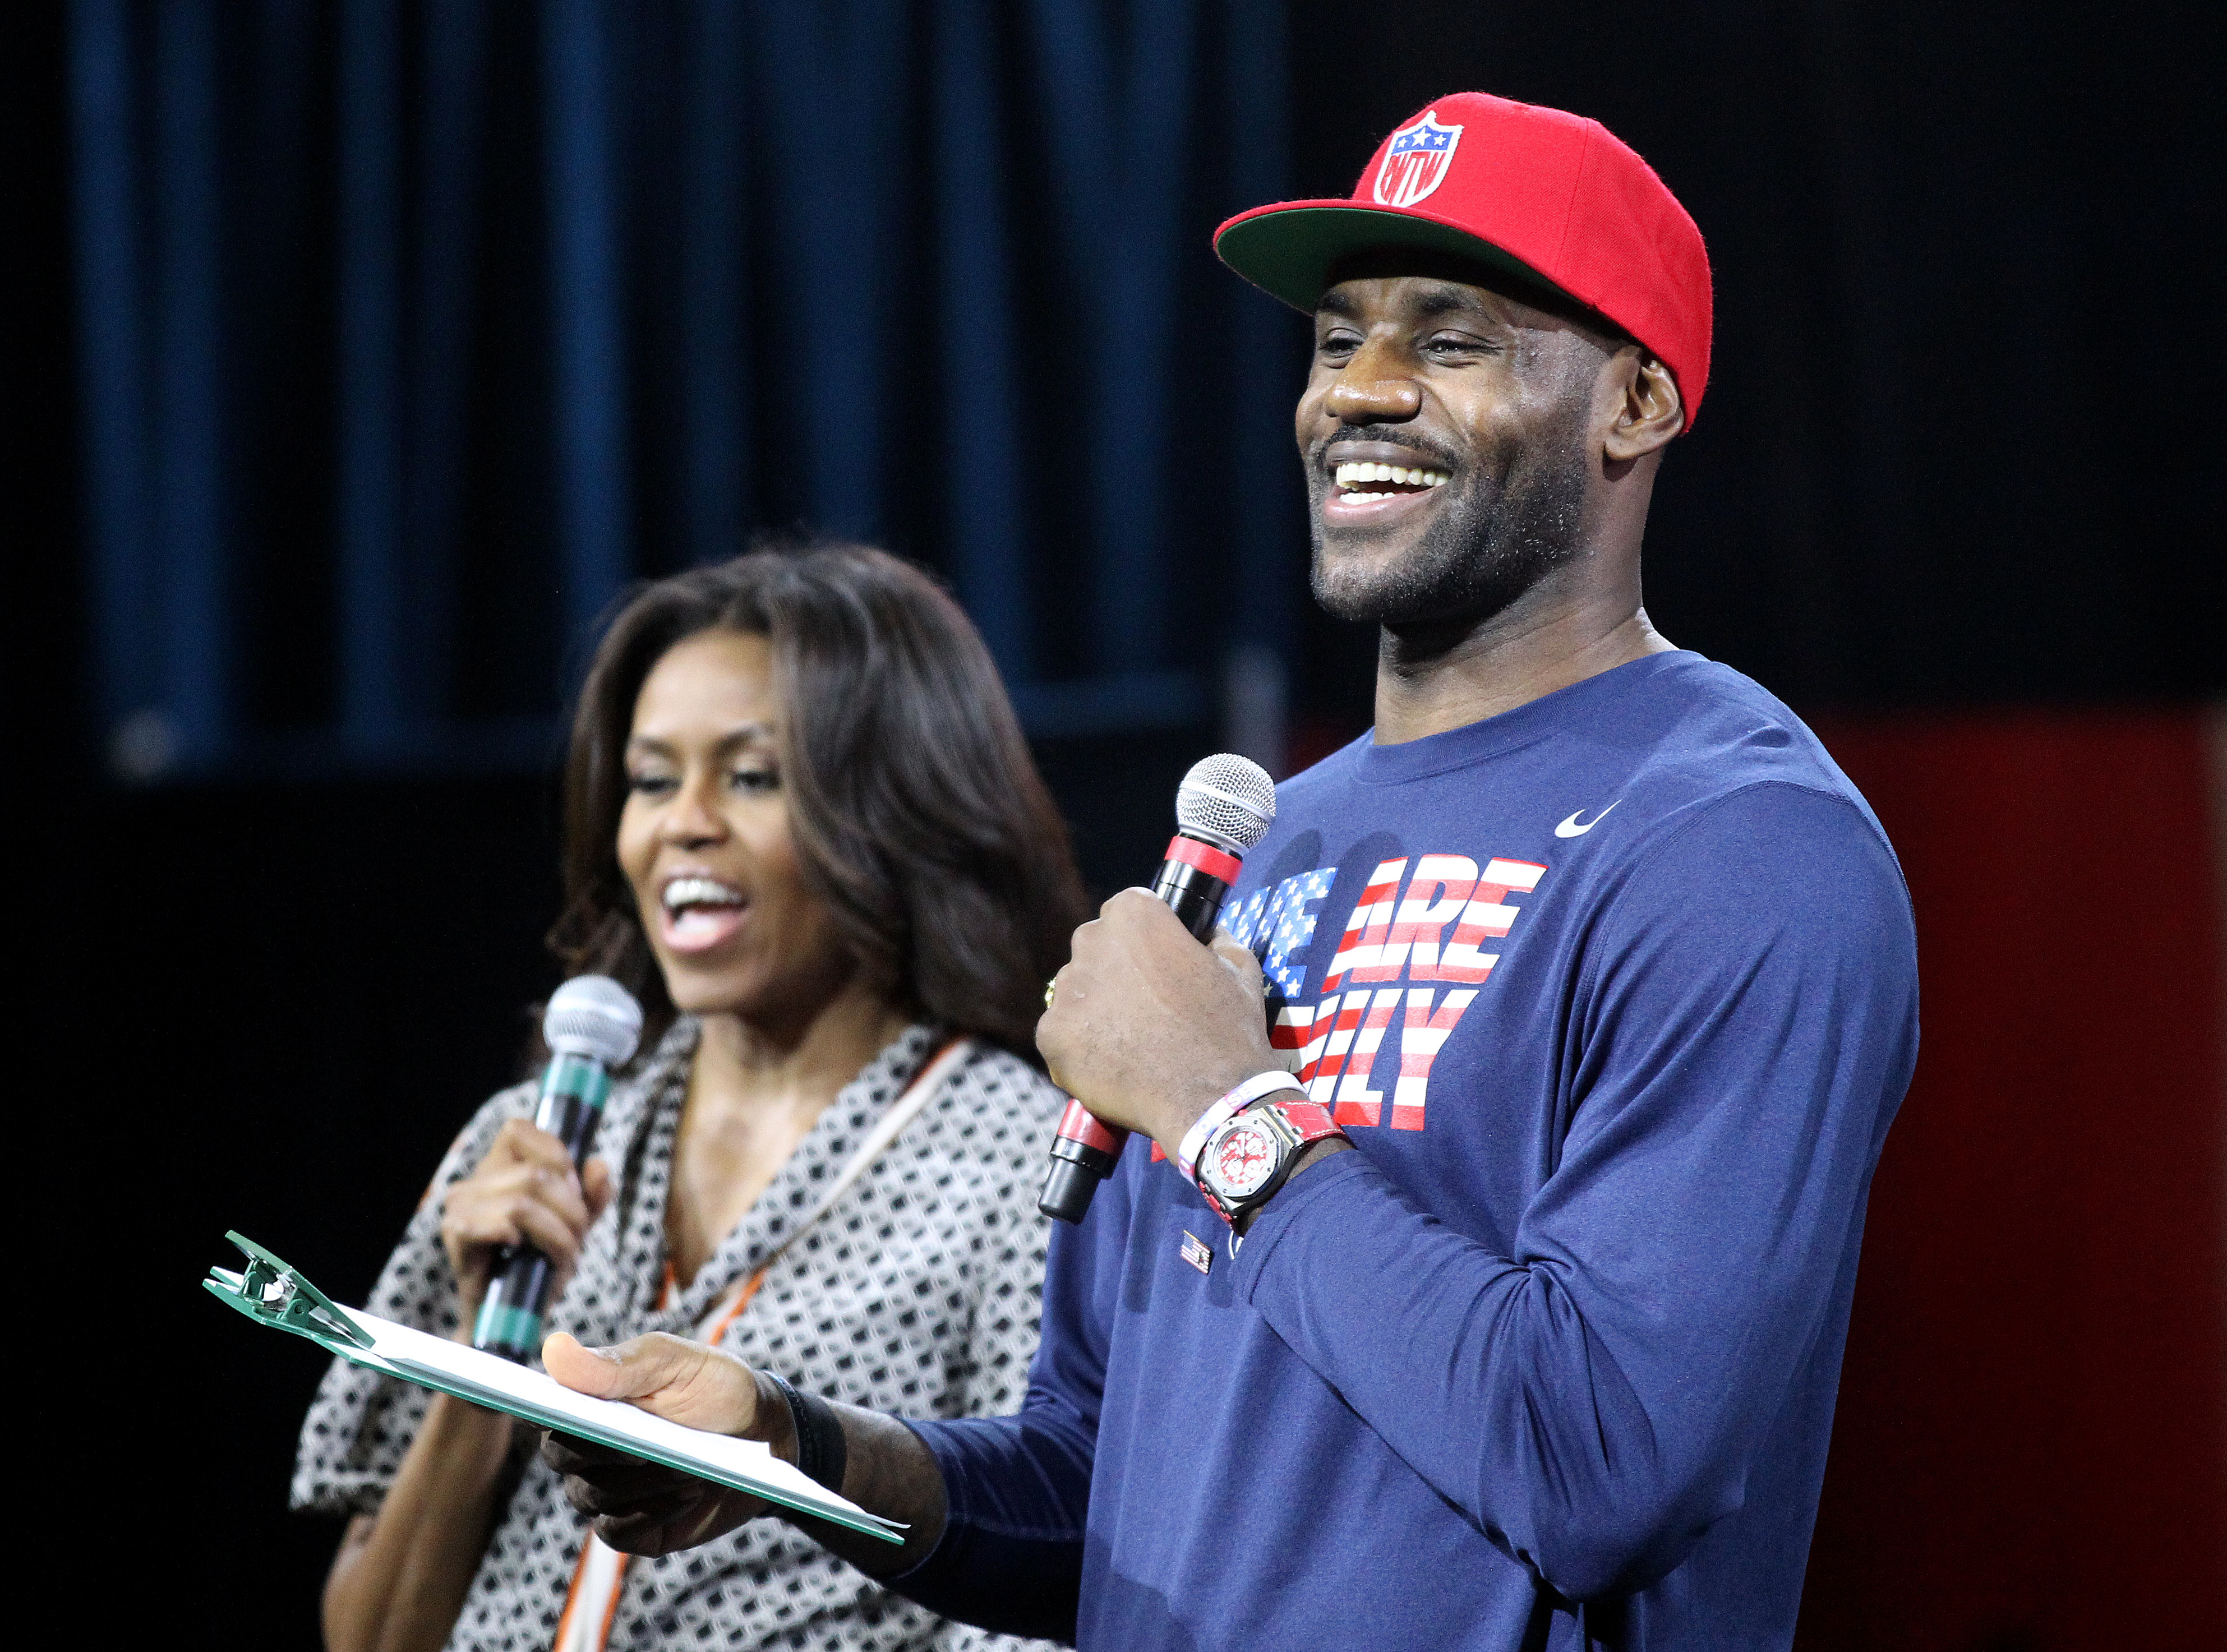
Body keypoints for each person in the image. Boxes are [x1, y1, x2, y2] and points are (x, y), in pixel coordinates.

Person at [536, 95, 1920, 1651]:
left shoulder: (1740, 844)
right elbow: (1093, 1485)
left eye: (1447, 341)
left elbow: (1598, 1461)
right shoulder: (1267, 850)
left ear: (1635, 403)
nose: (1360, 393)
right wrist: (793, 1449)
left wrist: (1220, 1105)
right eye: (1337, 342)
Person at [292, 544, 1085, 1652]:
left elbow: (1038, 1585)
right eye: (653, 779)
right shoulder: (531, 1147)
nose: (684, 823)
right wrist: (482, 1359)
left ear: (894, 809)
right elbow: (371, 1638)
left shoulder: (1023, 1166)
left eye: (751, 777)